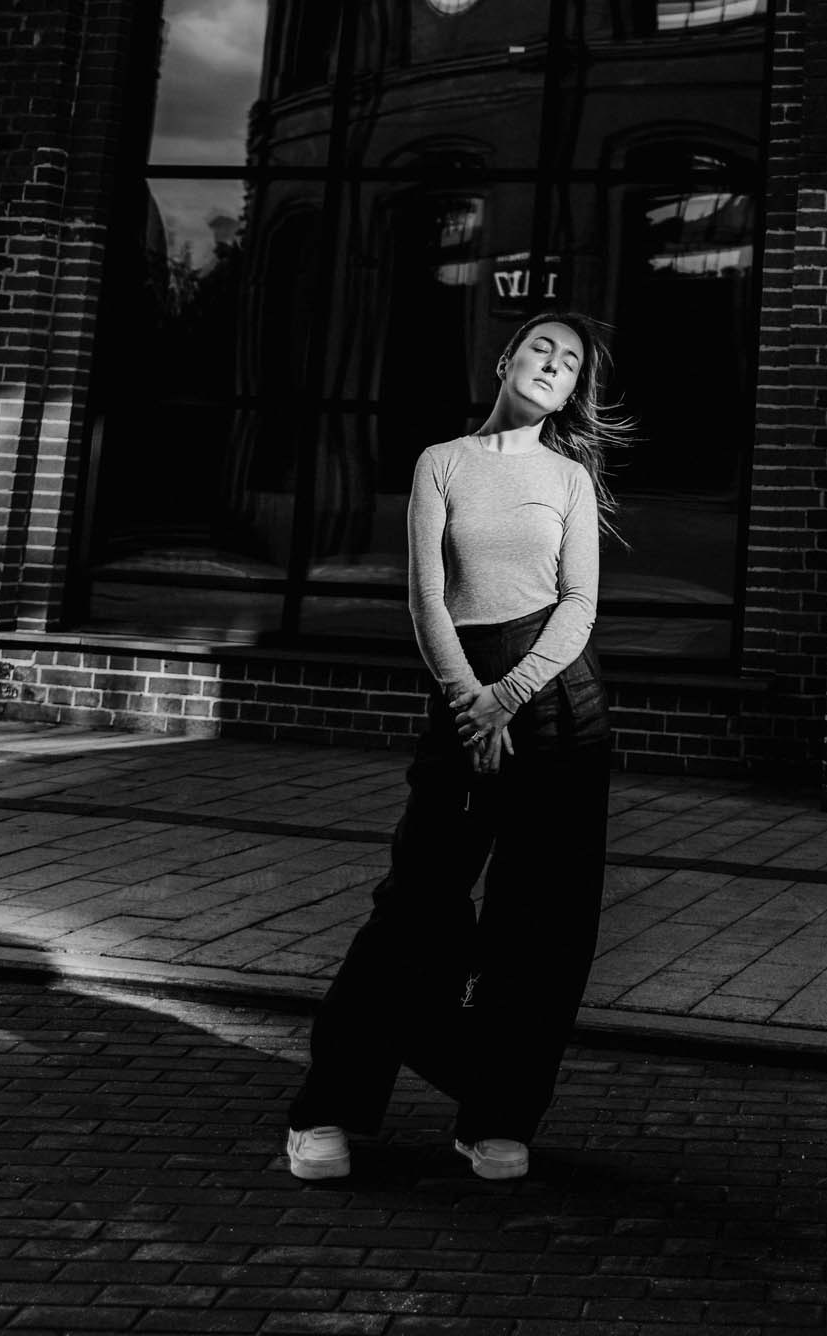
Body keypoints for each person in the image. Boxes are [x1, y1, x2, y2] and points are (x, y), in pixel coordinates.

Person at [283, 310, 627, 1184]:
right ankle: (326, 1110)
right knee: (417, 904)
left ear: (573, 391)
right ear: (506, 359)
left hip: (560, 702)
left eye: (570, 362)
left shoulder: (569, 479)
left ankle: (496, 1118)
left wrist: (507, 696)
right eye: (541, 348)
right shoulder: (442, 461)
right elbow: (426, 598)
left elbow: (579, 605)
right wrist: (469, 699)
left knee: (542, 923)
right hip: (462, 694)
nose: (552, 364)